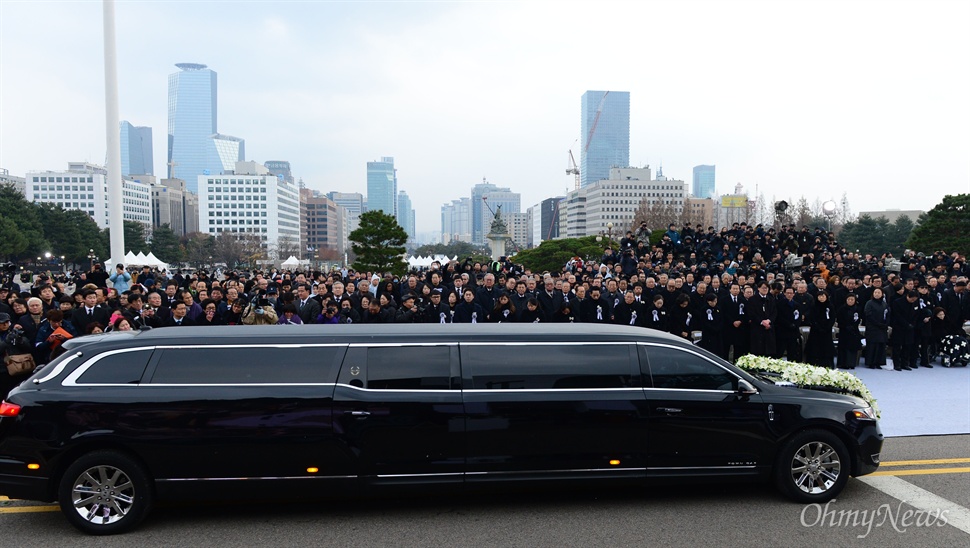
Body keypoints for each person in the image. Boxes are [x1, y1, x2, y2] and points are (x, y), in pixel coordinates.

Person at [804, 291, 836, 368]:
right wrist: (817, 326)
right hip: (816, 331)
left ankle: (827, 364)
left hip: (826, 331)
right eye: (820, 296)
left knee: (826, 347)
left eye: (823, 296)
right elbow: (811, 318)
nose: (821, 298)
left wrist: (827, 327)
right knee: (814, 347)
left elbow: (832, 318)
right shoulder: (814, 306)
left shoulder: (830, 306)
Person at [864, 287, 889, 368]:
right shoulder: (869, 303)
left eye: (879, 293)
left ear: (882, 294)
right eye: (875, 292)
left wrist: (886, 323)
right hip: (872, 327)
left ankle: (879, 362)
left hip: (882, 328)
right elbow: (868, 315)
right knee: (872, 346)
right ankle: (871, 362)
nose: (877, 294)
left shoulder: (884, 304)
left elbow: (887, 314)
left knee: (881, 345)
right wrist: (877, 324)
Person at [836, 293, 863, 369]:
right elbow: (839, 319)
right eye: (849, 299)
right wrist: (846, 326)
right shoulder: (841, 309)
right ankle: (843, 363)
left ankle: (851, 363)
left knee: (852, 349)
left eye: (852, 300)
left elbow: (858, 319)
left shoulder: (857, 309)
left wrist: (853, 326)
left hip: (854, 331)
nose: (850, 301)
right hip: (844, 331)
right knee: (843, 348)